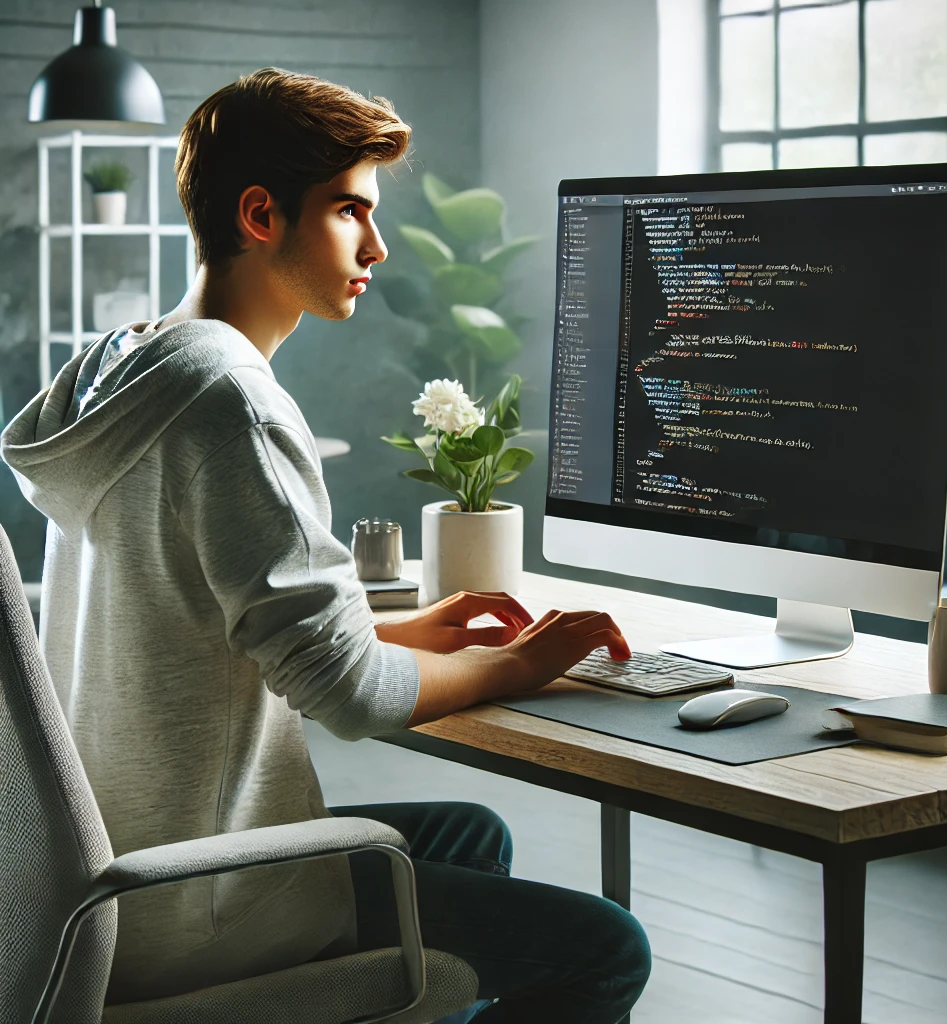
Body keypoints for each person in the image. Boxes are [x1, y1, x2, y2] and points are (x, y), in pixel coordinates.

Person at [1, 68, 650, 1022]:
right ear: (262, 214)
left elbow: (215, 617)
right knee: (605, 947)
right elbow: (350, 696)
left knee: (470, 834)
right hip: (197, 906)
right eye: (350, 212)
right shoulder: (232, 403)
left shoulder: (121, 371)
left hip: (100, 877)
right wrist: (520, 663)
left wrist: (417, 633)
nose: (377, 247)